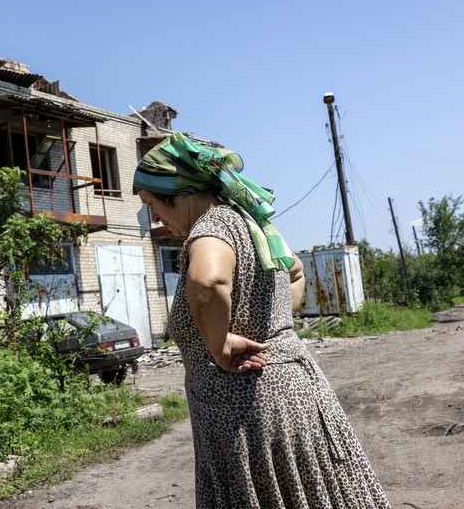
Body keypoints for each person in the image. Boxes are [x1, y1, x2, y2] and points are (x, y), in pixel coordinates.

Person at [133, 134, 390, 508]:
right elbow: (296, 271)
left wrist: (220, 348)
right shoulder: (252, 224)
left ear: (181, 193)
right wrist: (276, 327)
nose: (154, 216)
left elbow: (207, 282)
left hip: (244, 411)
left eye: (152, 204)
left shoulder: (211, 227)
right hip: (294, 392)